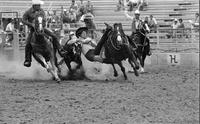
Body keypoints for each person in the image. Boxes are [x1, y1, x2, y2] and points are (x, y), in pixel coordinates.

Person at [22, 0, 66, 67]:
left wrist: (42, 25)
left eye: (40, 5)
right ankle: (28, 60)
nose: (40, 6)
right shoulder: (28, 12)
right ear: (34, 5)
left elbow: (44, 19)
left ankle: (60, 50)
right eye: (38, 5)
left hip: (42, 28)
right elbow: (23, 20)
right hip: (33, 30)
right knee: (28, 44)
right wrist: (31, 24)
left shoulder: (41, 11)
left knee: (54, 36)